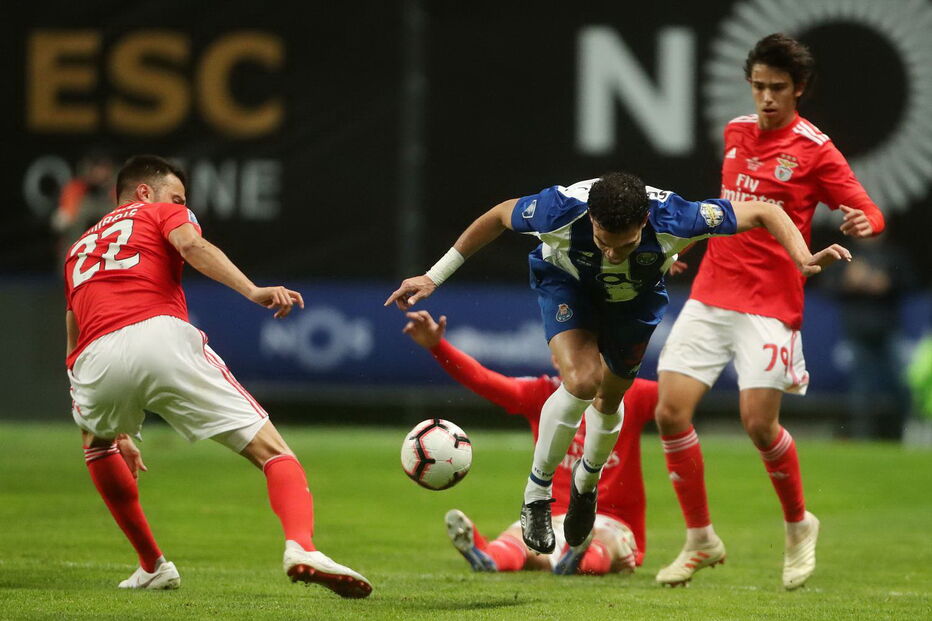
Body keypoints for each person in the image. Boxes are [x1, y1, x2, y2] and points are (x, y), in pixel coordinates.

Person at [386, 170, 850, 558]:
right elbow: (497, 215)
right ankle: (537, 494)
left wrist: (803, 257)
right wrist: (433, 274)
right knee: (582, 380)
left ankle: (586, 485)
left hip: (635, 302)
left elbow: (766, 211)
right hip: (567, 284)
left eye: (624, 244)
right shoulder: (558, 210)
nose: (611, 252)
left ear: (646, 221)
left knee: (610, 398)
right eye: (604, 240)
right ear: (590, 217)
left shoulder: (678, 217)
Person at [65, 155, 371, 598]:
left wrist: (108, 418)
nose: (184, 204)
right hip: (157, 335)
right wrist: (253, 290)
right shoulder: (159, 211)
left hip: (92, 361)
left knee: (96, 445)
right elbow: (192, 246)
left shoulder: (79, 248)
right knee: (273, 452)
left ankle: (152, 565)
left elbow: (72, 339)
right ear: (146, 192)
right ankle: (302, 547)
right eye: (179, 196)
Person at [654, 33, 885, 590]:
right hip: (712, 291)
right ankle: (700, 539)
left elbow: (869, 211)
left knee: (759, 425)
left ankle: (798, 523)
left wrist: (862, 223)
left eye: (777, 88)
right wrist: (675, 249)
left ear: (798, 88)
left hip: (771, 301)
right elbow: (722, 210)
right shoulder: (735, 132)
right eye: (758, 86)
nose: (765, 98)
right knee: (669, 413)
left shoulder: (815, 149)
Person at [402, 309, 657, 575]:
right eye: (577, 353)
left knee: (606, 540)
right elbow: (484, 380)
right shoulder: (542, 393)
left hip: (614, 519)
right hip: (546, 517)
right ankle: (490, 556)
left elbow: (678, 399)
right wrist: (437, 346)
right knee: (519, 541)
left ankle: (580, 555)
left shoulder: (635, 394)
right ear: (557, 359)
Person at [51, 151, 116, 271]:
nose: (100, 172)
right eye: (97, 167)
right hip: (78, 253)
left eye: (104, 168)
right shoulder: (75, 189)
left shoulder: (115, 190)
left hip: (110, 254)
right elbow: (61, 221)